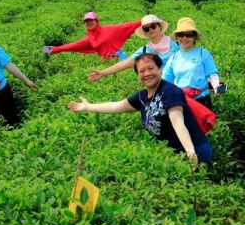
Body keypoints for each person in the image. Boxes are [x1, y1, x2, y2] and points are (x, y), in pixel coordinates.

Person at [68, 53, 213, 166]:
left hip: (194, 151)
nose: (147, 73)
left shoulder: (170, 91)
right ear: (138, 75)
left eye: (151, 68)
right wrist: (88, 107)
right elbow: (118, 106)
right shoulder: (143, 96)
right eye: (142, 71)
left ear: (160, 70)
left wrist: (190, 151)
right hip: (172, 153)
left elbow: (178, 123)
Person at [88, 14, 179, 82]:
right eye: (146, 29)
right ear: (144, 33)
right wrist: (103, 73)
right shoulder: (144, 50)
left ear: (160, 26)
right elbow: (124, 64)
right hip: (160, 88)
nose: (150, 29)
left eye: (153, 26)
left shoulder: (177, 44)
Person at [162, 17, 222, 111]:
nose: (184, 38)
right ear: (177, 37)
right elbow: (166, 81)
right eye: (181, 35)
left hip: (201, 100)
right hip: (181, 101)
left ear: (194, 37)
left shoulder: (203, 53)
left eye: (189, 35)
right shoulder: (173, 58)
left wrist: (216, 86)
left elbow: (212, 74)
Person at [42, 12, 141, 61]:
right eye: (87, 21)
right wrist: (52, 50)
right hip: (106, 61)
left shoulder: (109, 29)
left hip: (120, 58)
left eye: (91, 20)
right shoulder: (90, 39)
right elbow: (71, 46)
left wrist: (145, 21)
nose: (89, 23)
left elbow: (128, 26)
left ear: (96, 21)